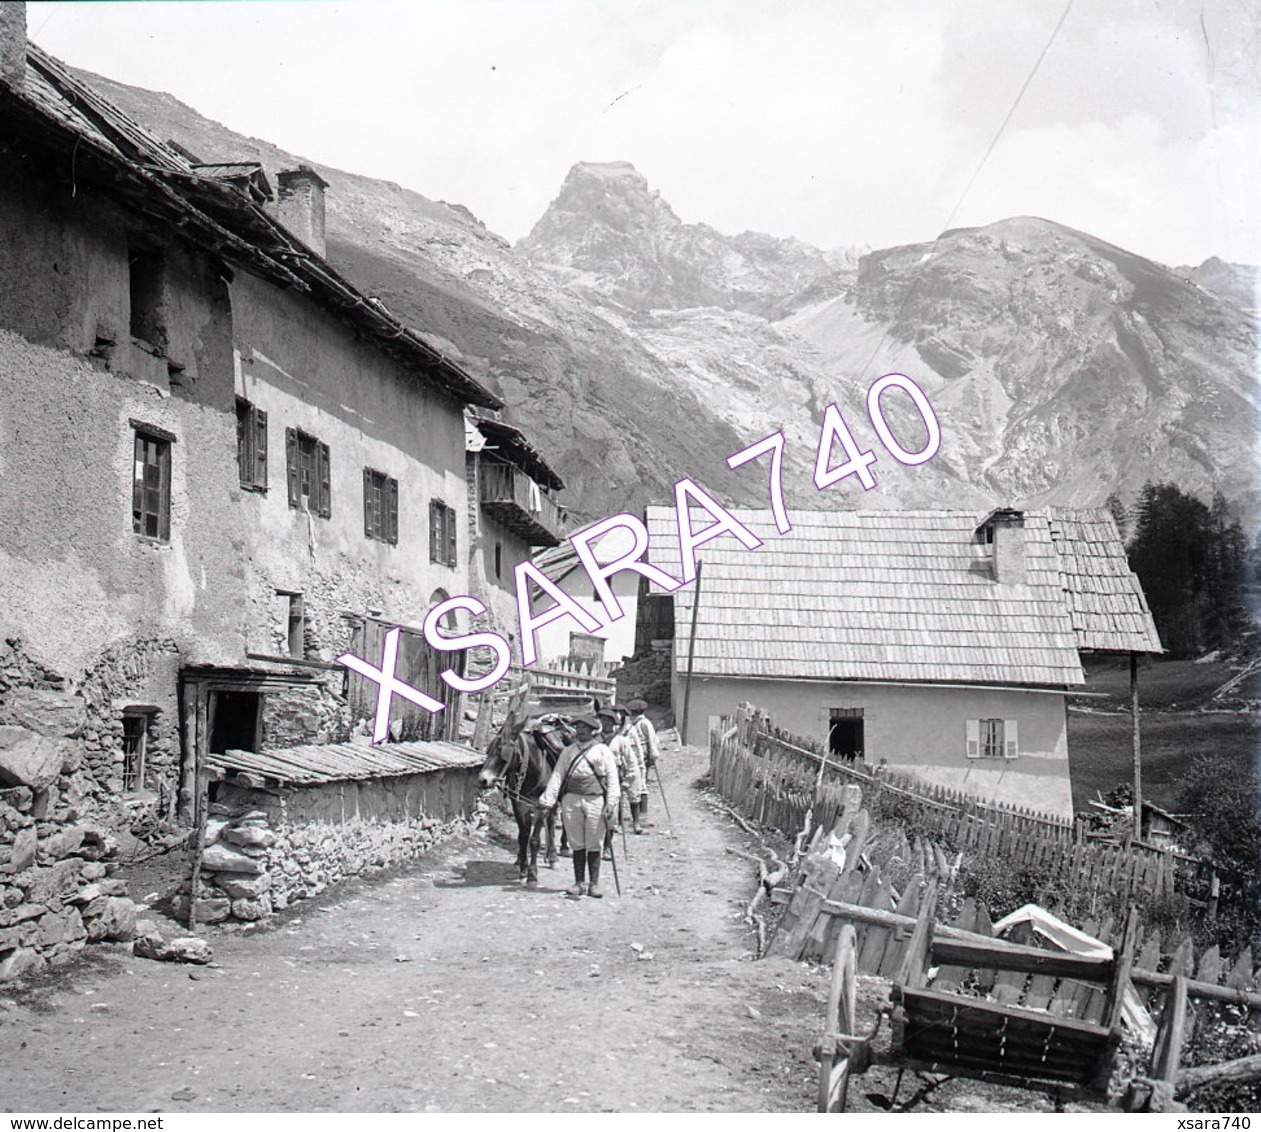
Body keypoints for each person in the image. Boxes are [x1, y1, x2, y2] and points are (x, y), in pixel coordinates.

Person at [540, 713, 620, 898]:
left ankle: (594, 884)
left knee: (594, 841)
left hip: (595, 799)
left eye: (585, 728)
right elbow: (558, 776)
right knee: (576, 842)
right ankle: (578, 883)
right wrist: (547, 801)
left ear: (593, 731)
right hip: (571, 799)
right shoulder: (568, 752)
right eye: (578, 728)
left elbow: (612, 778)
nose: (581, 731)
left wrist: (612, 802)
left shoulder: (602, 750)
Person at [600, 706, 645, 843]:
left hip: (615, 778)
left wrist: (628, 779)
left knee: (612, 810)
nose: (605, 724)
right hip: (597, 779)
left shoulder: (621, 740)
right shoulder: (595, 739)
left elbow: (632, 762)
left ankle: (608, 845)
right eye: (603, 720)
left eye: (609, 721)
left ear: (614, 723)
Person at [627, 699, 660, 825]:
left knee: (641, 783)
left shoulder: (644, 723)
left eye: (633, 712)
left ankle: (643, 813)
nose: (632, 714)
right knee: (633, 784)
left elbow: (652, 739)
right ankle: (635, 813)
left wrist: (653, 754)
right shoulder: (630, 724)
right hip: (631, 755)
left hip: (642, 756)